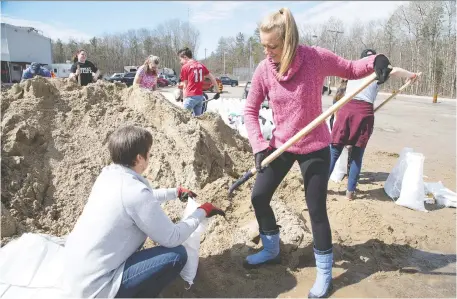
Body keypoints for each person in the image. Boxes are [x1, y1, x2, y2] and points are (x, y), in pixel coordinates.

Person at [243, 7, 395, 298]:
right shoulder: (264, 70)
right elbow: (250, 109)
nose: (267, 52)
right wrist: (259, 146)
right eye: (263, 46)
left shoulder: (314, 58)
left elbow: (352, 69)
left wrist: (377, 60)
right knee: (258, 196)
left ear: (288, 42)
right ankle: (272, 249)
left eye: (272, 46)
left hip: (314, 146)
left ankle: (325, 273)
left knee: (316, 209)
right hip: (282, 144)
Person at [62, 125, 225, 298]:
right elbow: (173, 238)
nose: (150, 156)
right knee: (176, 255)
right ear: (139, 158)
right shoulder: (134, 192)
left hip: (76, 273)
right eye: (149, 153)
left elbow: (138, 200)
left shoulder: (108, 176)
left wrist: (174, 192)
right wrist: (201, 212)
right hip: (97, 288)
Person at [329, 49, 418, 201]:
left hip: (346, 110)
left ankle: (320, 186)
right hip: (363, 113)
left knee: (334, 150)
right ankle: (350, 193)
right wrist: (411, 75)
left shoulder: (354, 68)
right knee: (357, 154)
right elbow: (395, 70)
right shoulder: (377, 69)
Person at [177, 47, 221, 116]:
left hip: (190, 97)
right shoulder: (201, 65)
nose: (180, 62)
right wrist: (218, 92)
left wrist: (183, 99)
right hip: (199, 97)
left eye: (180, 59)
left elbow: (185, 85)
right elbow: (212, 78)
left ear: (185, 57)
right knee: (198, 119)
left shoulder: (185, 67)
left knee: (183, 117)